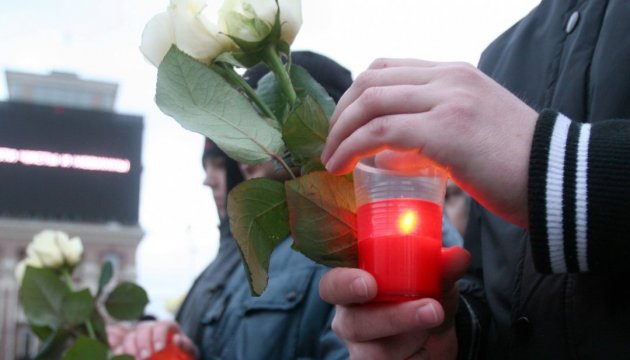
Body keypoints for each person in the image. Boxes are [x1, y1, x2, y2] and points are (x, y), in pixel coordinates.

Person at [319, 1, 630, 359]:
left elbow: (542, 168)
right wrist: (457, 334)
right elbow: (492, 291)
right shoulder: (501, 58)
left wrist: (555, 165)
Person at [108, 51, 353, 359]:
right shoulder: (254, 255)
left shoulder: (354, 244)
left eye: (255, 122)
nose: (238, 154)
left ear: (314, 121)